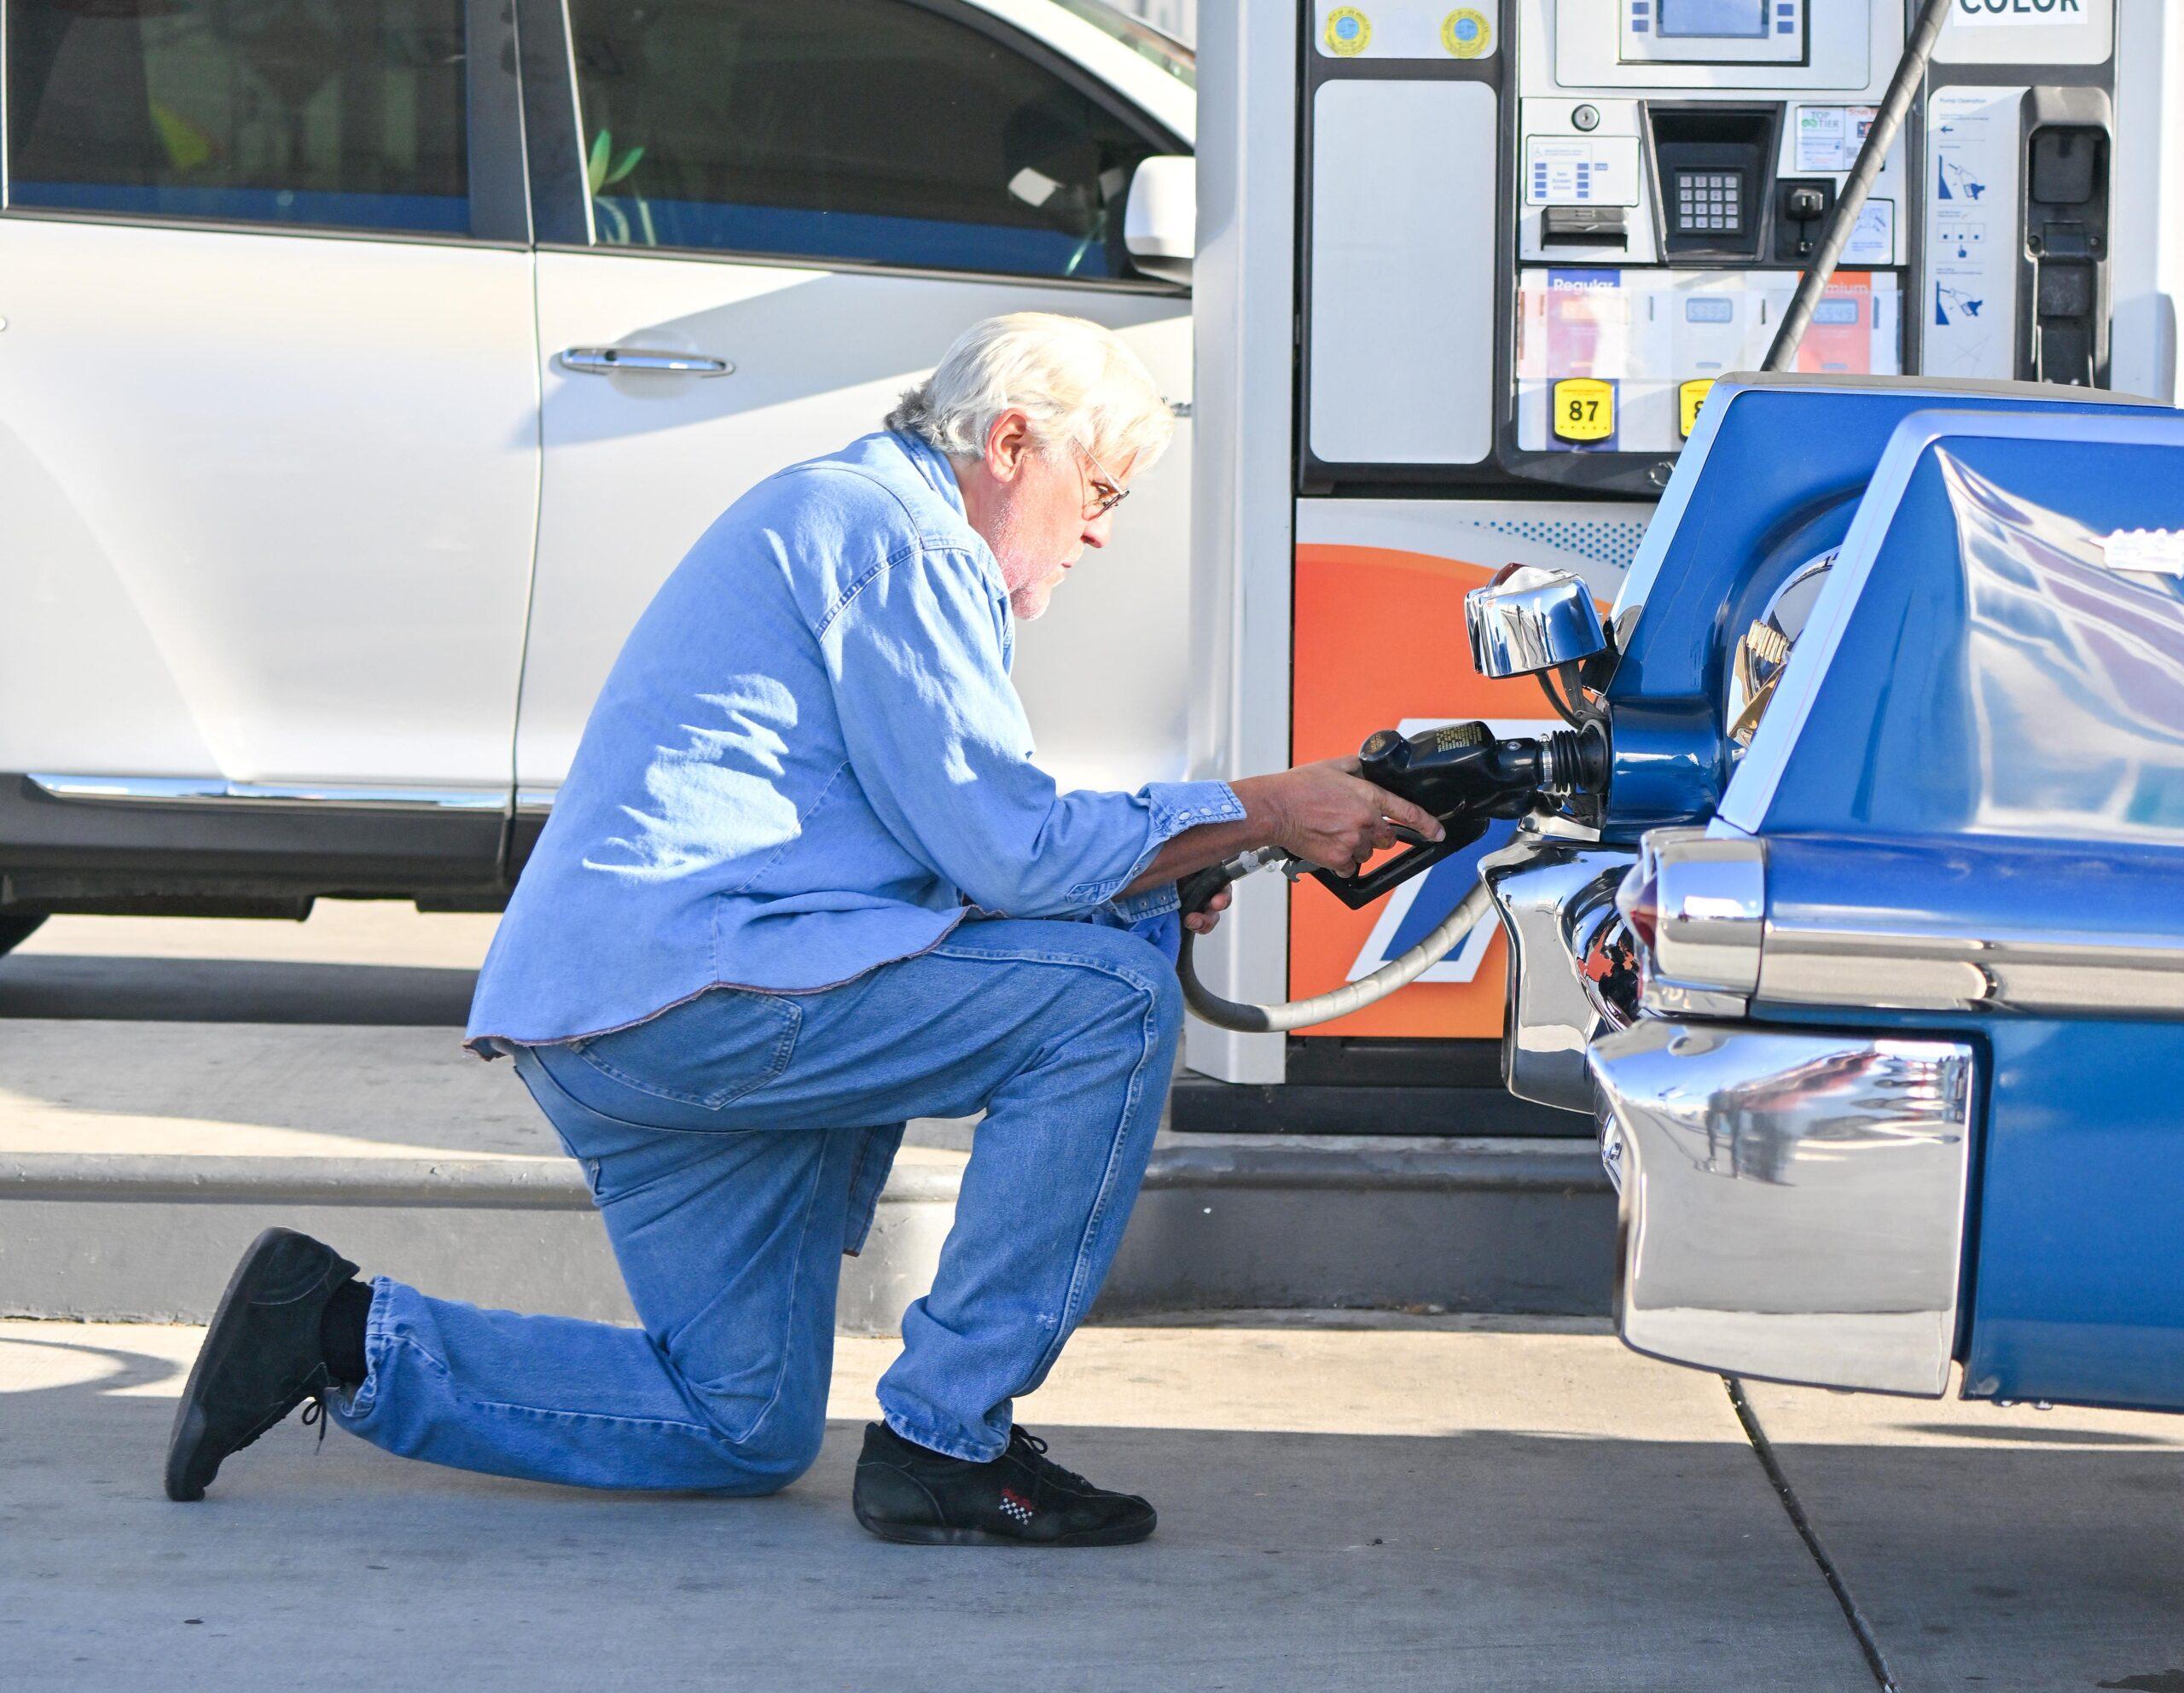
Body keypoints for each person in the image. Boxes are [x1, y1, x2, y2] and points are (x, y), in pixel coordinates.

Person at [163, 312, 1442, 1545]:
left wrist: (1169, 867)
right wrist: (1262, 804)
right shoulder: (903, 541)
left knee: (739, 1427)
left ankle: (330, 1332)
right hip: (698, 1006)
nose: (1099, 534)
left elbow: (954, 852)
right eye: (1100, 492)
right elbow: (1008, 844)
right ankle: (951, 1444)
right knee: (1106, 1001)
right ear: (1009, 448)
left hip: (621, 1025)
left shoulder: (851, 515)